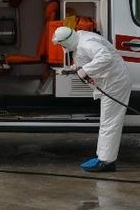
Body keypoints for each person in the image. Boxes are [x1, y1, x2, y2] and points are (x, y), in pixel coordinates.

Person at [53, 26, 132, 172]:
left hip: (115, 84)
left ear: (67, 41)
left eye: (62, 44)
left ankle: (106, 162)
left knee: (109, 123)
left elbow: (105, 57)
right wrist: (75, 68)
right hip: (110, 82)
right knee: (107, 122)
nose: (62, 47)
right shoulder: (80, 38)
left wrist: (85, 71)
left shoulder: (86, 43)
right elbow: (87, 57)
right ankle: (103, 157)